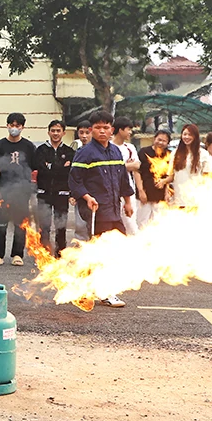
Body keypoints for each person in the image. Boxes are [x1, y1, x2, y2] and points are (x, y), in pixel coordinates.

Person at [68, 110, 134, 308]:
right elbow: (75, 180)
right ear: (91, 130)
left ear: (112, 129)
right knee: (98, 251)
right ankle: (98, 291)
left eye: (106, 127)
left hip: (114, 210)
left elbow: (123, 179)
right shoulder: (85, 153)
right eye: (98, 128)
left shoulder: (115, 151)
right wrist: (87, 197)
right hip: (96, 210)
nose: (102, 131)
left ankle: (96, 288)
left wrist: (128, 202)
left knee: (113, 249)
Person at [0, 113, 37, 266]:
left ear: (23, 127)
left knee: (20, 223)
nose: (14, 128)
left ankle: (17, 255)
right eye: (12, 125)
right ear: (7, 126)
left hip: (22, 191)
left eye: (18, 125)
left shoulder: (29, 146)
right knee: (0, 223)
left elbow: (33, 169)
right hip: (4, 189)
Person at [33, 120, 76, 257]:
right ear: (48, 132)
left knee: (61, 225)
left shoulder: (69, 152)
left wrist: (51, 166)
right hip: (43, 192)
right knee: (44, 226)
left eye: (58, 131)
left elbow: (69, 172)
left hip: (62, 193)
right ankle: (43, 253)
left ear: (63, 132)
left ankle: (60, 253)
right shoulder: (41, 150)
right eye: (53, 130)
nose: (55, 133)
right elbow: (42, 169)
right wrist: (60, 167)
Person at [134, 129, 173, 227]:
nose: (161, 143)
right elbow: (137, 172)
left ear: (168, 143)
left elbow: (169, 175)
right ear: (154, 139)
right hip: (145, 194)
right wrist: (141, 191)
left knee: (159, 223)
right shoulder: (144, 152)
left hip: (161, 196)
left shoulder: (169, 154)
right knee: (142, 223)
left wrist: (167, 192)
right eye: (159, 139)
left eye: (164, 141)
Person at [171, 124, 210, 206]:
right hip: (179, 197)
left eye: (190, 134)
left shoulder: (203, 153)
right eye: (184, 134)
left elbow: (206, 176)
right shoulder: (175, 153)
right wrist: (163, 182)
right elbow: (171, 175)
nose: (187, 137)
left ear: (195, 136)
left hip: (196, 197)